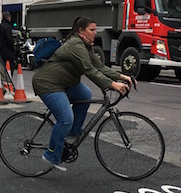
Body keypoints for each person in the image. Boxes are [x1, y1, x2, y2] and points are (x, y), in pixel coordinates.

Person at [31, 16, 132, 172]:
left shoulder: (86, 45)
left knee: (85, 94)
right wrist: (112, 85)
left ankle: (73, 131)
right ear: (81, 31)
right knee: (65, 119)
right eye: (91, 30)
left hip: (65, 82)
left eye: (95, 29)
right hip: (48, 83)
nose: (95, 32)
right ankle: (51, 154)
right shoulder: (76, 45)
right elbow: (89, 70)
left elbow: (99, 66)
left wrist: (121, 76)